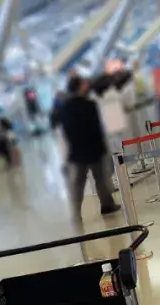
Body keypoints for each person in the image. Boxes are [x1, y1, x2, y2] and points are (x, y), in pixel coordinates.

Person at [57, 74, 122, 225]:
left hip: (77, 151)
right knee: (101, 179)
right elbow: (96, 128)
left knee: (78, 184)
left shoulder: (65, 108)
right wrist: (103, 147)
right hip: (94, 149)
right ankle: (107, 205)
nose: (86, 86)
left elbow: (66, 131)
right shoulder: (89, 105)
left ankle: (76, 213)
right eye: (83, 84)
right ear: (79, 87)